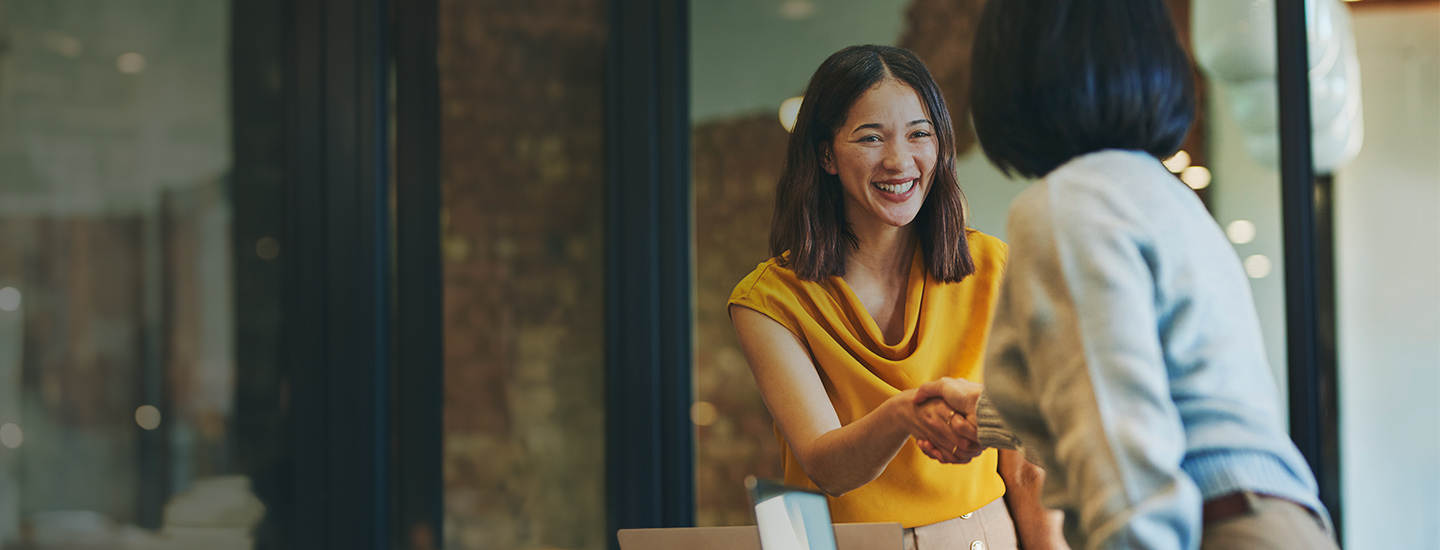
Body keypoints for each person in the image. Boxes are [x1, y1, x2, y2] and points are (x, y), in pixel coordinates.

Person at [911, 1, 1339, 549]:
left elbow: (1123, 461)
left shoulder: (1069, 206)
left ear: (1015, 72)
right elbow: (1161, 398)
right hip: (1274, 521)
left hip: (1214, 529)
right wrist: (987, 417)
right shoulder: (1163, 195)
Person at [728, 45, 1064, 550]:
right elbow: (826, 466)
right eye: (870, 138)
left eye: (919, 134)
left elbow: (1027, 472)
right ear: (826, 155)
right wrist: (905, 413)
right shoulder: (768, 301)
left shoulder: (995, 267)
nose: (899, 160)